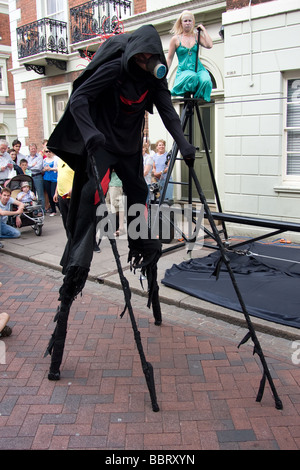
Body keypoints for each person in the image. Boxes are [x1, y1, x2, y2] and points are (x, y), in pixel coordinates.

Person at [45, 25, 195, 380]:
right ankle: (77, 267)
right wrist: (90, 133)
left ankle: (142, 246)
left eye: (151, 58)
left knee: (139, 197)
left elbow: (168, 112)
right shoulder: (115, 69)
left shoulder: (154, 80)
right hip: (103, 146)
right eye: (143, 58)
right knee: (89, 201)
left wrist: (183, 143)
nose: (147, 62)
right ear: (134, 57)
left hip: (128, 150)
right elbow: (78, 99)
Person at [167, 10, 213, 102]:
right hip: (184, 70)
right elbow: (169, 58)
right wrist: (164, 74)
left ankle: (197, 98)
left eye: (190, 21)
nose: (187, 23)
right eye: (185, 21)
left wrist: (203, 30)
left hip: (198, 69)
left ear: (193, 23)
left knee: (206, 80)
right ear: (181, 23)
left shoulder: (196, 36)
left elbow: (209, 45)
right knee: (192, 76)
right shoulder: (175, 39)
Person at [106, 170, 125, 237]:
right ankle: (113, 228)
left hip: (116, 183)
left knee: (117, 206)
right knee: (108, 206)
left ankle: (121, 228)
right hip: (108, 183)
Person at [26, 143, 45, 210]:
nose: (33, 150)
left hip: (37, 176)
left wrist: (29, 166)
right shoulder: (26, 157)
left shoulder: (39, 157)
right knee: (31, 194)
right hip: (29, 177)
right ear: (29, 150)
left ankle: (42, 210)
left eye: (34, 149)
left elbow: (38, 168)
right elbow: (25, 167)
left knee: (40, 194)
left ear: (36, 149)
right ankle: (34, 210)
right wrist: (32, 165)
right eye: (31, 149)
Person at [43, 148, 58, 216]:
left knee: (53, 194)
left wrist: (50, 169)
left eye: (50, 151)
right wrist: (44, 169)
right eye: (46, 151)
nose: (48, 153)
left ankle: (60, 208)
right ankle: (53, 210)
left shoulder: (56, 159)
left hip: (54, 178)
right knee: (49, 195)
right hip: (46, 178)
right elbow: (42, 169)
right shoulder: (44, 160)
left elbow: (58, 168)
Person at [143, 140, 154, 205]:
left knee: (145, 203)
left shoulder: (148, 157)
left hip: (145, 183)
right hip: (137, 183)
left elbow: (146, 171)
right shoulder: (136, 157)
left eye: (142, 147)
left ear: (145, 148)